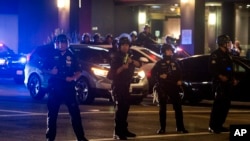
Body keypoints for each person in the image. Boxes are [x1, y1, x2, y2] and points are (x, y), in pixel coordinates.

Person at [44, 34, 88, 141]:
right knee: (52, 115)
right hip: (54, 88)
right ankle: (50, 138)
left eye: (63, 42)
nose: (61, 44)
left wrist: (72, 78)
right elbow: (43, 69)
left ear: (67, 43)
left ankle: (81, 137)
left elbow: (79, 71)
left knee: (75, 114)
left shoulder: (72, 55)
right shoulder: (51, 55)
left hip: (68, 88)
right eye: (59, 42)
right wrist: (51, 71)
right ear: (56, 43)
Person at [151, 44, 188, 134]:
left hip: (174, 87)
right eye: (168, 50)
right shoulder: (159, 63)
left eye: (171, 50)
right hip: (163, 87)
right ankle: (162, 128)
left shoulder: (175, 62)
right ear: (164, 51)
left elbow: (180, 73)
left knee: (178, 107)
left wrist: (180, 80)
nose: (170, 51)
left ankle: (180, 127)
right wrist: (159, 76)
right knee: (163, 108)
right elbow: (153, 74)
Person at [109, 35, 141, 140]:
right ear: (119, 46)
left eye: (127, 45)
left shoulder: (130, 55)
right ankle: (118, 132)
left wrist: (132, 61)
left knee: (126, 107)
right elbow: (112, 74)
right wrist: (123, 67)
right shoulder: (116, 57)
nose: (125, 47)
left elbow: (139, 64)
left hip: (127, 85)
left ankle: (124, 129)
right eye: (123, 45)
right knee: (120, 109)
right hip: (118, 85)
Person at [208, 34, 237, 134]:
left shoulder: (228, 55)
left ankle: (220, 124)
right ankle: (213, 126)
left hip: (227, 84)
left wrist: (232, 78)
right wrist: (220, 76)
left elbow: (230, 68)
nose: (229, 44)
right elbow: (212, 69)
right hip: (219, 84)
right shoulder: (215, 55)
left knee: (226, 105)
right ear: (222, 43)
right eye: (227, 42)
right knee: (218, 106)